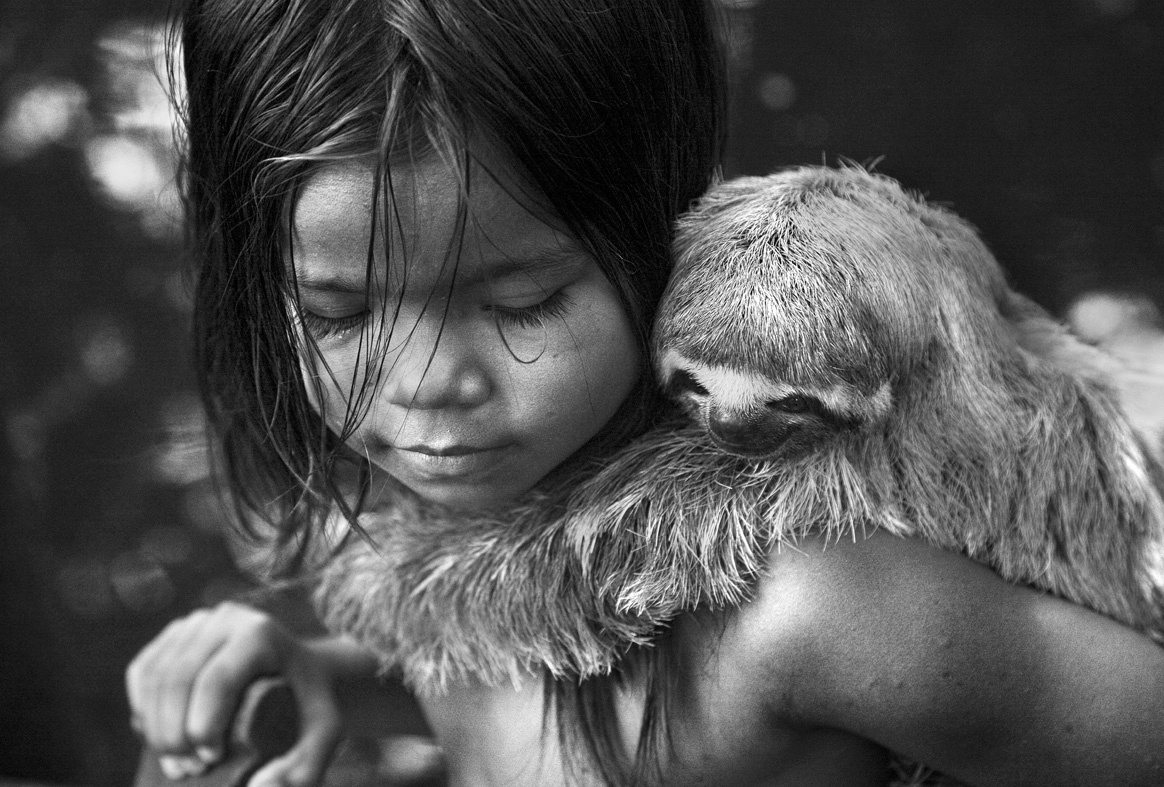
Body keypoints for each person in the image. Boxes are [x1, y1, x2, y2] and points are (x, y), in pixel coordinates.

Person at [126, 1, 1164, 785]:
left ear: (665, 223)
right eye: (341, 313)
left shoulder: (812, 607)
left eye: (525, 302)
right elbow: (528, 665)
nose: (428, 388)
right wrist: (333, 674)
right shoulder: (451, 557)